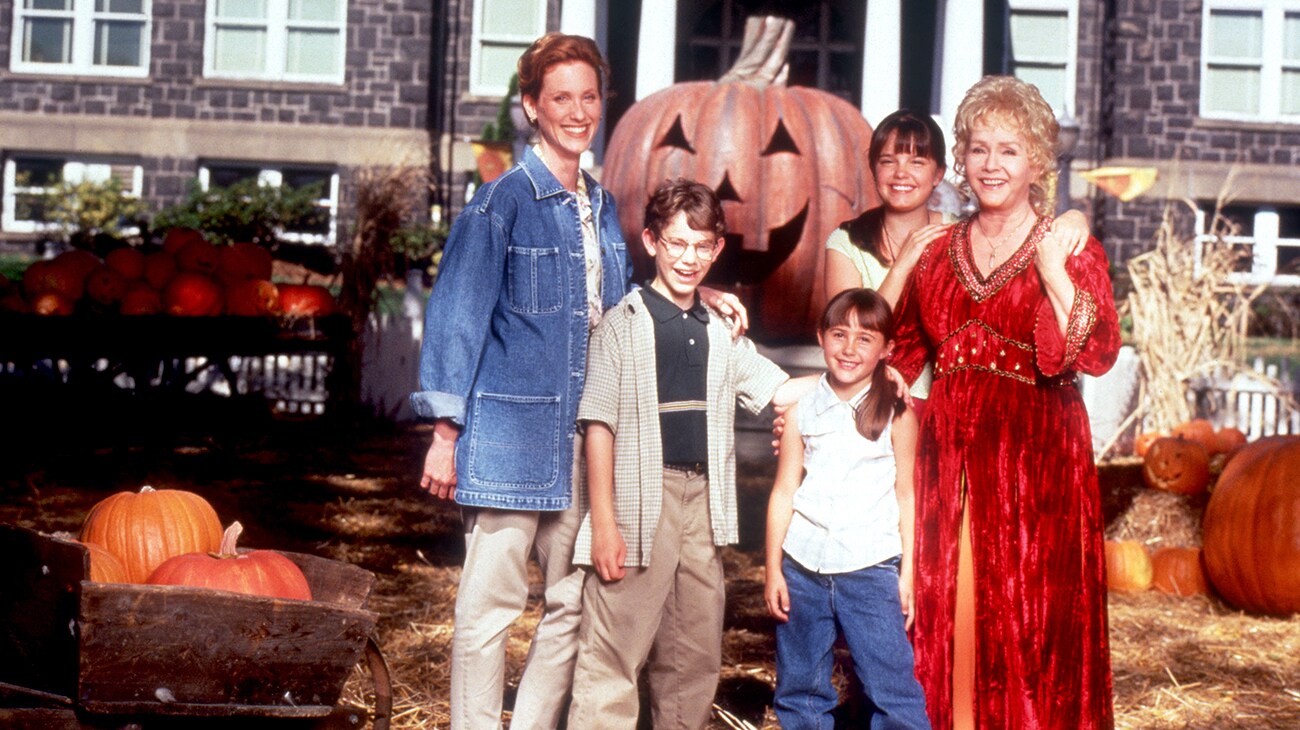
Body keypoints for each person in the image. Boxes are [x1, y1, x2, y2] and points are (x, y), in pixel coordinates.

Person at [410, 34, 746, 730]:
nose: (577, 111)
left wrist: (699, 295)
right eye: (560, 97)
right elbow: (458, 315)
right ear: (532, 105)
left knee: (571, 606)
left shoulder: (600, 206)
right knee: (487, 610)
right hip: (506, 438)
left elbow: (622, 307)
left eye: (589, 97)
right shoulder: (502, 201)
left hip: (583, 444)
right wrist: (445, 432)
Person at [889, 76, 1120, 729]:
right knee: (951, 618)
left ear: (1038, 162)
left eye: (1010, 151)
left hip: (1037, 473)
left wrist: (1051, 270)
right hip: (949, 467)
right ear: (962, 157)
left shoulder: (1072, 247)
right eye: (980, 149)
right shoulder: (938, 253)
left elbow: (1095, 349)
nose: (992, 165)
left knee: (1030, 625)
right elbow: (890, 356)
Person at [566, 179, 812, 729]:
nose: (688, 258)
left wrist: (861, 380)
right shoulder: (620, 327)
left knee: (693, 656)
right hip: (636, 502)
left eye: (702, 246)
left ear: (718, 249)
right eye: (676, 244)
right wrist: (603, 521)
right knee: (613, 658)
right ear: (651, 242)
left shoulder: (719, 330)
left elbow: (780, 388)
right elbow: (597, 425)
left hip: (701, 505)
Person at [823, 110, 1091, 405]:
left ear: (938, 174)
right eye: (888, 161)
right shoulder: (845, 242)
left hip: (947, 402)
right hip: (870, 399)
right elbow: (849, 338)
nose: (901, 173)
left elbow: (1015, 234)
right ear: (873, 168)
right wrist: (902, 267)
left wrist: (1075, 217)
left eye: (916, 162)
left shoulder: (960, 234)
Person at [764, 288, 930, 730]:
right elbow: (783, 492)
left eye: (864, 338)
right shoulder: (802, 412)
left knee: (891, 689)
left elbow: (906, 495)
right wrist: (773, 569)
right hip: (803, 566)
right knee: (800, 689)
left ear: (886, 350)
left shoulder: (897, 414)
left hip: (870, 567)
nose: (849, 348)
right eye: (839, 334)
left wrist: (907, 574)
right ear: (821, 337)